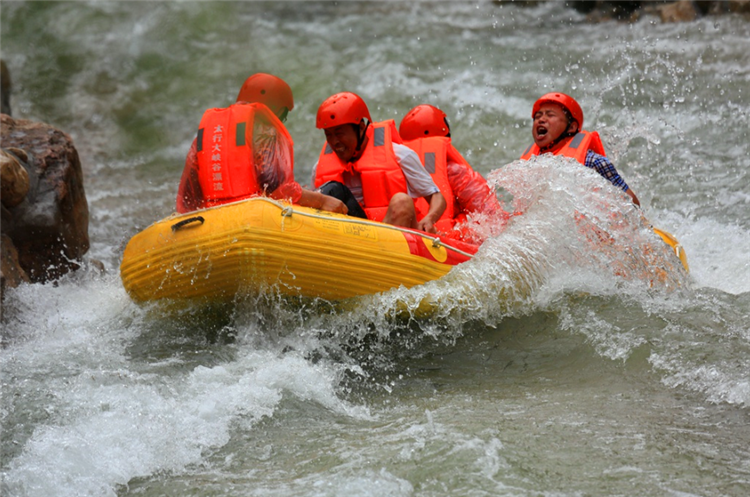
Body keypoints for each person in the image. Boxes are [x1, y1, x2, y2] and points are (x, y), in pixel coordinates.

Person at [176, 73, 346, 214]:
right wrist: (323, 201)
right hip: (256, 218)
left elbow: (187, 198)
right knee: (336, 191)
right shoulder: (267, 131)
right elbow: (278, 189)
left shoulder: (205, 136)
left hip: (212, 219)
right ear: (277, 110)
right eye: (283, 116)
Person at [312, 92, 446, 233]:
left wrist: (430, 218)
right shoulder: (319, 167)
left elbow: (437, 197)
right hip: (352, 236)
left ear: (361, 128)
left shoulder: (400, 155)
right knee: (329, 193)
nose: (334, 142)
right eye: (328, 135)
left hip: (393, 230)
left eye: (339, 134)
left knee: (402, 202)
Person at [399, 104, 507, 235]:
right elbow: (494, 217)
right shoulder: (457, 173)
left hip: (406, 236)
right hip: (445, 240)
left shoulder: (395, 170)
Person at [520, 92, 640, 206]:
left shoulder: (593, 161)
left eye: (550, 115)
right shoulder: (530, 162)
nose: (541, 119)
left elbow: (631, 204)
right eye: (537, 116)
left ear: (571, 127)